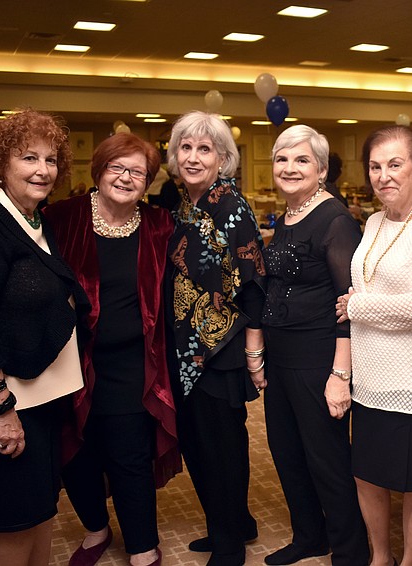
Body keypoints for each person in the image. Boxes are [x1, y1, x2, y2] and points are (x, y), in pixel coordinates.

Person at [0, 109, 85, 566]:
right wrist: (1, 408)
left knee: (40, 510)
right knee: (13, 519)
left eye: (50, 160)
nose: (42, 170)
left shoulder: (29, 217)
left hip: (37, 396)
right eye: (29, 158)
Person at [43, 133, 179, 566]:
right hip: (69, 361)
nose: (126, 177)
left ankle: (142, 545)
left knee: (129, 456)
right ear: (98, 171)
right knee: (76, 452)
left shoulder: (161, 226)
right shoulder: (61, 218)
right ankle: (96, 529)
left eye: (137, 172)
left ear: (148, 182)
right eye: (117, 167)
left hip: (132, 365)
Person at [335, 125, 412, 566]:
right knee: (367, 476)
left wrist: (359, 306)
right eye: (375, 166)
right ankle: (380, 556)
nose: (384, 175)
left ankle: (407, 562)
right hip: (369, 379)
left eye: (395, 164)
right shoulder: (371, 221)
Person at [261, 125, 369, 566]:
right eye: (282, 159)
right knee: (287, 455)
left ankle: (350, 552)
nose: (290, 167)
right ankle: (309, 536)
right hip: (281, 358)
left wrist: (340, 374)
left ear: (321, 170)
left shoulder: (335, 219)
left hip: (318, 358)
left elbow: (349, 305)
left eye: (302, 160)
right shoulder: (287, 217)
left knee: (327, 461)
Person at [165, 111, 266, 566]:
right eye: (185, 148)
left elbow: (253, 281)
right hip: (188, 348)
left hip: (219, 349)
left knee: (221, 448)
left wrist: (253, 351)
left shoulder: (229, 204)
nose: (192, 156)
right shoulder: (186, 203)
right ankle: (234, 523)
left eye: (204, 149)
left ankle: (229, 545)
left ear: (223, 158)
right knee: (199, 444)